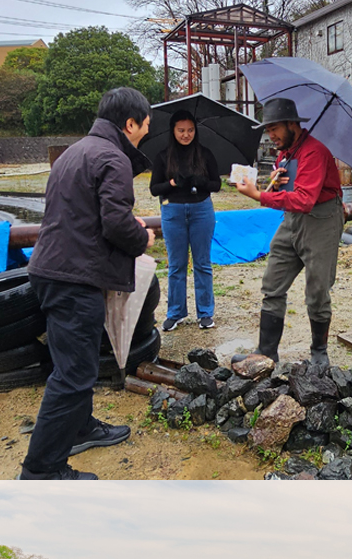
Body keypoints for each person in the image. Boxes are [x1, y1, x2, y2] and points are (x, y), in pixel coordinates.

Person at [21, 86, 156, 480]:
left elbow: (84, 215)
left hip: (53, 269)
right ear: (129, 123)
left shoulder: (74, 153)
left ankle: (81, 428)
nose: (144, 134)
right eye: (144, 127)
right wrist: (141, 238)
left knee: (72, 364)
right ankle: (42, 471)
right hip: (74, 278)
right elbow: (115, 224)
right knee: (74, 374)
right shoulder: (113, 158)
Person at [234, 97, 344, 372]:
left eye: (275, 129)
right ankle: (267, 351)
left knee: (317, 290)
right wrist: (275, 182)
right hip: (292, 220)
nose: (271, 135)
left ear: (292, 124)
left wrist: (259, 196)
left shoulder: (314, 151)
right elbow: (288, 192)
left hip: (321, 219)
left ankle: (319, 352)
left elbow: (306, 199)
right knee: (272, 283)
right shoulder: (286, 153)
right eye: (268, 130)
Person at [149, 109, 221, 332]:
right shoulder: (163, 156)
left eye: (190, 130)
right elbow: (154, 189)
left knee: (202, 263)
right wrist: (172, 183)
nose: (186, 134)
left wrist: (202, 182)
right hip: (173, 212)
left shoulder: (205, 154)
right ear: (173, 131)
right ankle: (175, 312)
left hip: (201, 209)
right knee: (176, 265)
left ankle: (206, 313)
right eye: (181, 130)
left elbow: (216, 184)